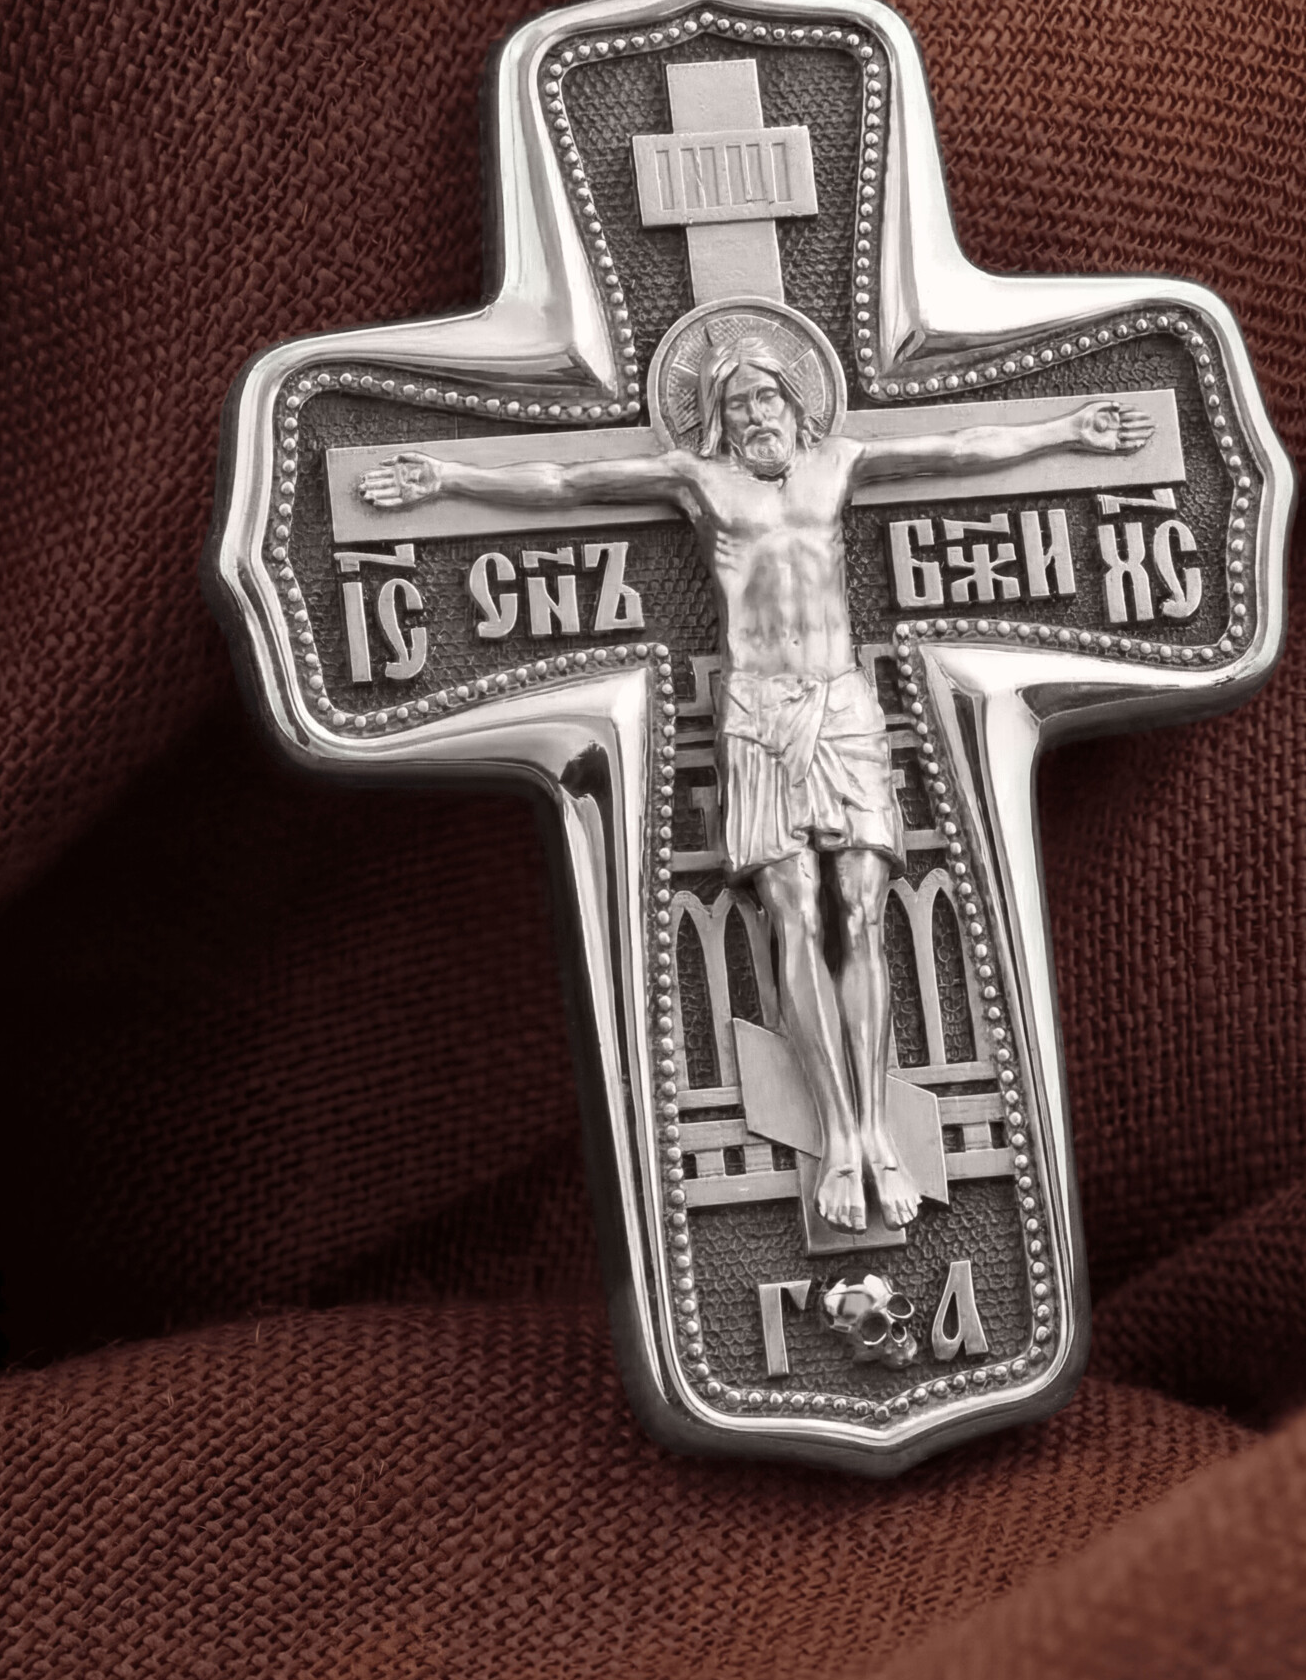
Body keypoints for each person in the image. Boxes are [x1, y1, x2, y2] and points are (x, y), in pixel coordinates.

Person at [359, 322, 1152, 1231]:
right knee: (794, 913)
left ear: (793, 400)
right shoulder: (700, 481)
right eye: (737, 406)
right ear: (717, 418)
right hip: (759, 714)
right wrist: (446, 478)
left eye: (767, 397)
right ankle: (839, 1139)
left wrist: (1066, 432)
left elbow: (960, 448)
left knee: (862, 912)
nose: (755, 417)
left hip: (842, 706)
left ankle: (876, 1131)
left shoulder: (838, 464)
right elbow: (564, 482)